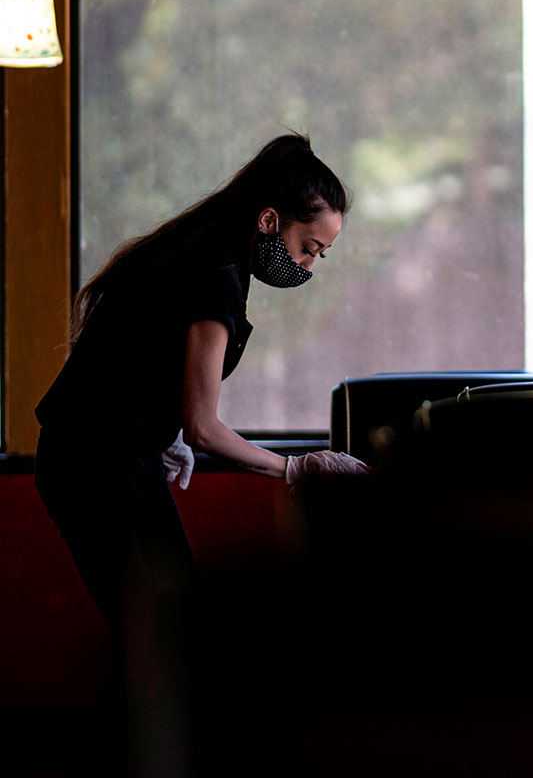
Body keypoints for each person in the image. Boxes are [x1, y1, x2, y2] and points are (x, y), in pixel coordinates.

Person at [33, 133, 368, 646]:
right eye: (309, 248)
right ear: (269, 220)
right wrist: (298, 468)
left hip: (124, 456)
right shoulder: (217, 273)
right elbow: (204, 427)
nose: (308, 266)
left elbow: (145, 355)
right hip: (91, 464)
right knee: (159, 643)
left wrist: (160, 429)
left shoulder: (205, 246)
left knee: (178, 631)